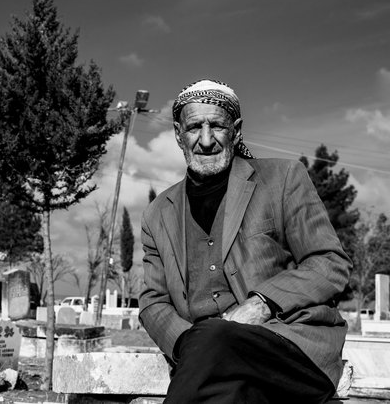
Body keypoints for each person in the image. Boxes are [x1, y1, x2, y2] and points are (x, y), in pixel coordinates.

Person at [139, 79, 352, 403]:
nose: (206, 140)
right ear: (179, 135)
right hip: (211, 364)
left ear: (236, 131)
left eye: (218, 127)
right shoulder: (157, 213)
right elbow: (153, 301)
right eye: (195, 127)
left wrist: (261, 304)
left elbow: (329, 263)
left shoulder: (282, 179)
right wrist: (190, 345)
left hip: (289, 350)